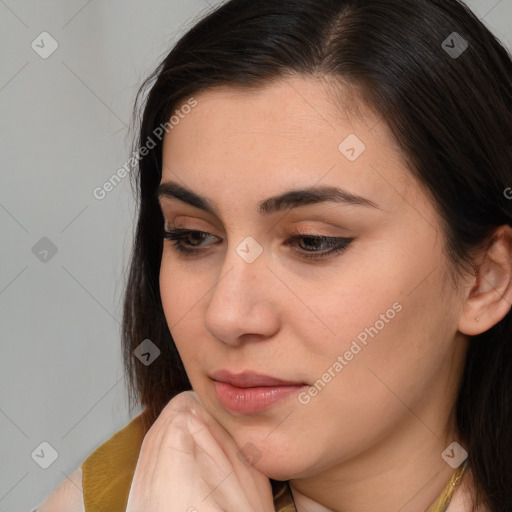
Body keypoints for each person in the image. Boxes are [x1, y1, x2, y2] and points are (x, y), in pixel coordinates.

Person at [35, 0, 512, 510]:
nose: (226, 315)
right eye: (193, 236)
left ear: (485, 278)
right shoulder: (108, 495)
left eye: (312, 241)